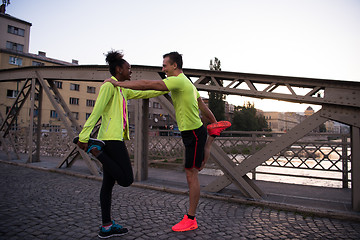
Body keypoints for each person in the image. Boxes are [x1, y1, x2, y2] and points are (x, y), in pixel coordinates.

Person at [105, 52, 231, 232]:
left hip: (194, 133)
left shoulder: (178, 80)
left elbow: (149, 84)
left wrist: (118, 83)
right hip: (195, 132)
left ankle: (191, 218)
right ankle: (212, 135)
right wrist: (214, 121)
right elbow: (201, 106)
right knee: (199, 166)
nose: (162, 69)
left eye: (165, 65)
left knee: (192, 174)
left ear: (174, 66)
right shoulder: (186, 82)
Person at [73, 50, 168, 238]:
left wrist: (166, 87)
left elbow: (143, 91)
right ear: (118, 69)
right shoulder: (109, 86)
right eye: (128, 69)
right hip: (110, 139)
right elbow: (97, 111)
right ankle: (95, 151)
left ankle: (106, 227)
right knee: (126, 180)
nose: (130, 72)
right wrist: (84, 137)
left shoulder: (121, 89)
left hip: (112, 138)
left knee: (107, 185)